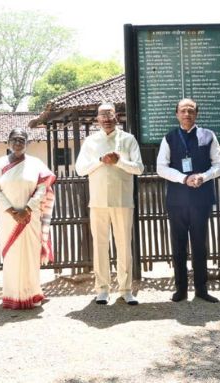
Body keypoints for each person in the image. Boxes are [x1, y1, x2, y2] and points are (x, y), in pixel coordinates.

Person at [74, 103, 143, 305]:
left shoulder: (128, 139)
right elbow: (80, 169)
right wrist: (100, 160)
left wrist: (119, 161)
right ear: (97, 119)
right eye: (102, 115)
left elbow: (139, 168)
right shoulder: (91, 141)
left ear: (117, 116)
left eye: (109, 115)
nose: (106, 119)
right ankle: (102, 288)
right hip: (98, 201)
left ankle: (125, 288)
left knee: (123, 245)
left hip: (122, 200)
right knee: (100, 245)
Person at [157, 98, 220, 303]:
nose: (187, 114)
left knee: (200, 245)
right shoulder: (169, 138)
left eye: (191, 111)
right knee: (178, 245)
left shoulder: (208, 135)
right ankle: (181, 289)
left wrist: (202, 177)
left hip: (201, 199)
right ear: (177, 114)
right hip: (177, 200)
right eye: (183, 111)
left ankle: (201, 289)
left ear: (197, 114)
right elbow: (161, 167)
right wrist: (184, 178)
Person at [0, 128, 56, 310]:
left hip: (30, 216)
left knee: (30, 254)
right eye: (14, 139)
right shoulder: (0, 163)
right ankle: (11, 295)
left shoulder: (36, 164)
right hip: (7, 218)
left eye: (22, 140)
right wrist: (13, 212)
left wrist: (27, 210)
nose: (18, 143)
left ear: (27, 143)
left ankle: (32, 293)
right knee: (11, 255)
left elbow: (42, 188)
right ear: (8, 142)